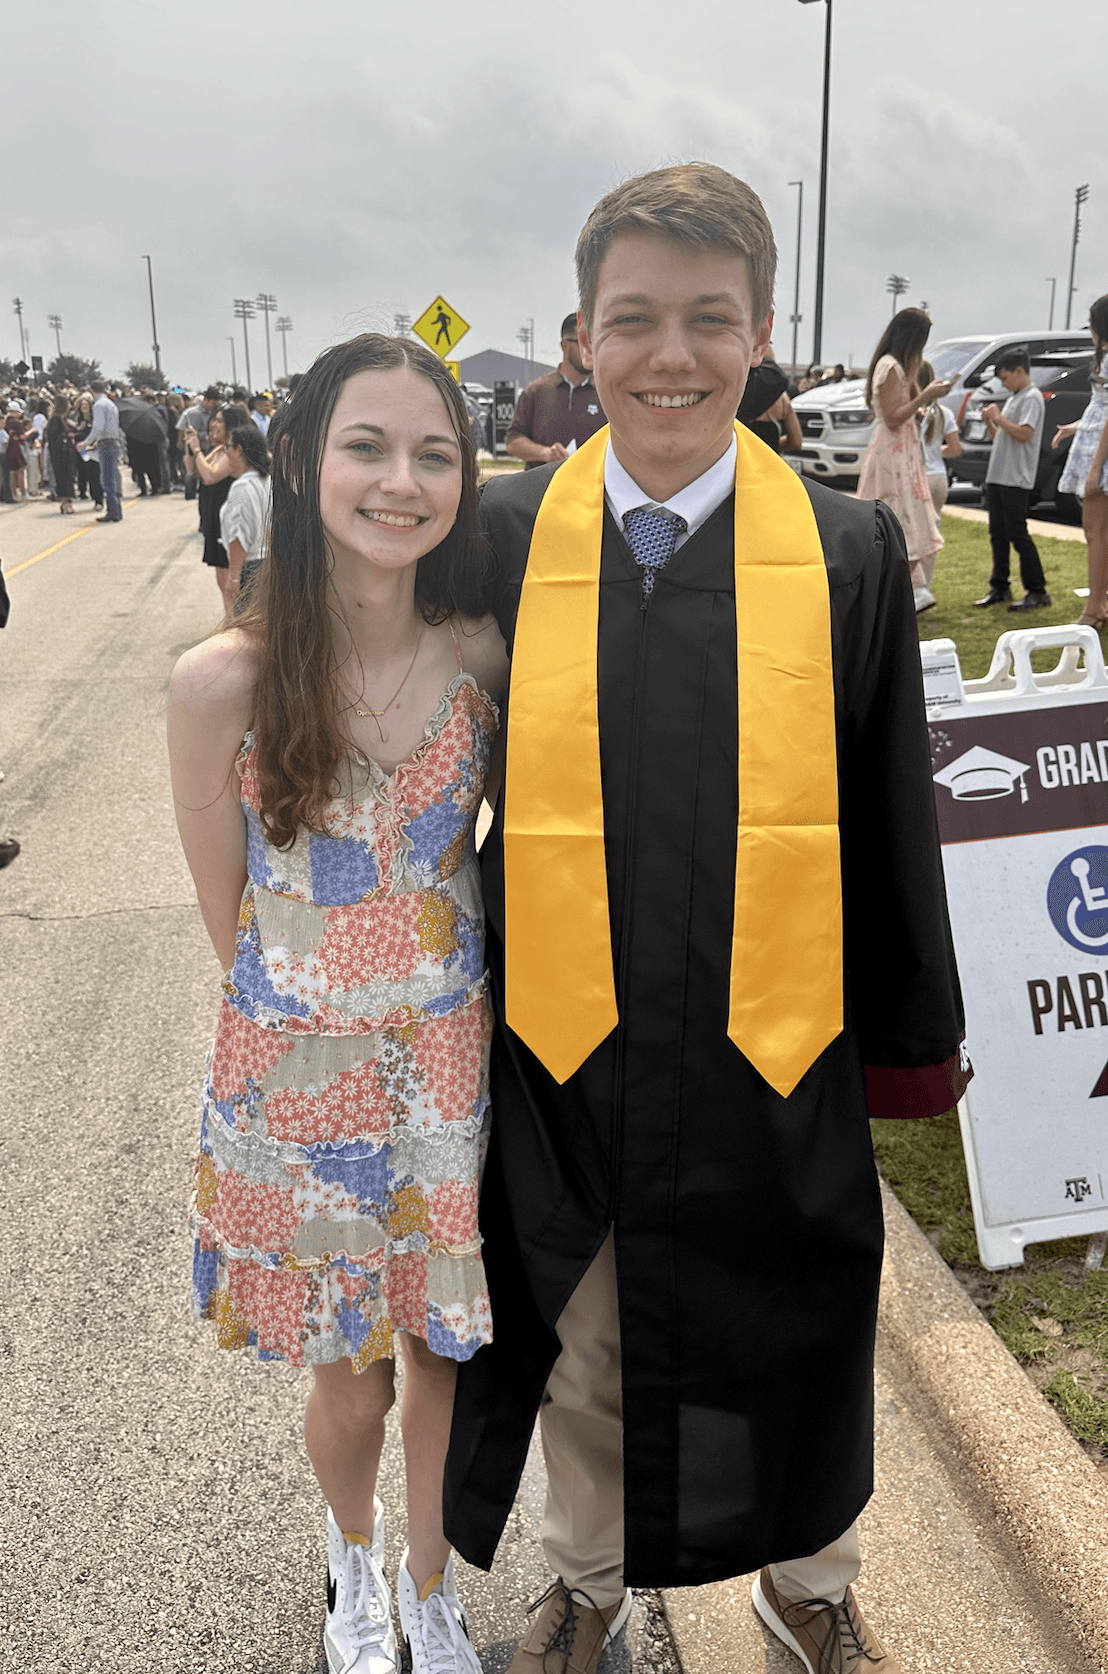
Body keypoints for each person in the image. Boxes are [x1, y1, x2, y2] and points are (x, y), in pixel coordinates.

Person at [443, 163, 969, 1674]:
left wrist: (909, 1036)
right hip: (570, 1027)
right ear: (581, 337)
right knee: (587, 1331)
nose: (670, 355)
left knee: (804, 1308)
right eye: (634, 320)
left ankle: (811, 1582)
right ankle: (587, 1579)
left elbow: (888, 806)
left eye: (708, 319)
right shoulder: (503, 533)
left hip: (775, 1023)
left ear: (761, 335)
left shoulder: (847, 550)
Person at [167, 332, 508, 1674]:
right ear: (305, 462)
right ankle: (351, 1559)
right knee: (347, 1370)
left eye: (433, 453)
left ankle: (429, 1585)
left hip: (447, 1060)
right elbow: (230, 921)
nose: (401, 480)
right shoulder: (221, 684)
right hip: (299, 1073)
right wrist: (321, 1025)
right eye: (368, 445)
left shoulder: (482, 653)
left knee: (441, 1346)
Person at [856, 308, 949, 615]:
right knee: (898, 524)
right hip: (892, 458)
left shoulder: (898, 368)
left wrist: (922, 402)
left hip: (901, 456)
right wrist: (924, 397)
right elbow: (894, 418)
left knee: (907, 523)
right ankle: (892, 597)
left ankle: (898, 595)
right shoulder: (891, 367)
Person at [972, 345, 1050, 613]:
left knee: (1018, 533)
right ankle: (1000, 586)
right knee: (998, 534)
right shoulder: (1015, 397)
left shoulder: (1031, 397)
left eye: (1006, 377)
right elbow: (1003, 438)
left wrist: (999, 417)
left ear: (1019, 371)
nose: (1004, 383)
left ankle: (1037, 590)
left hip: (1016, 479)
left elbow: (1025, 434)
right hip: (999, 476)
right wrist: (991, 423)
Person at [1054, 294, 1108, 627]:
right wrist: (1074, 428)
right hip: (1095, 450)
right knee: (1100, 533)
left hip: (1099, 458)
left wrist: (1094, 470)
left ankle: (1093, 609)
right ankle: (1098, 604)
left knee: (1095, 533)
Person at [504, 314, 607, 467]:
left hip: (590, 489)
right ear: (565, 346)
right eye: (583, 343)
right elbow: (513, 442)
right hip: (542, 488)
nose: (591, 350)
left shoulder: (605, 394)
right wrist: (545, 453)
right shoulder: (537, 391)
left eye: (594, 343)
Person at [184, 402, 250, 613]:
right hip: (212, 516)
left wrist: (197, 449)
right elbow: (194, 470)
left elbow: (211, 475)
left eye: (220, 421)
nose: (214, 424)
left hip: (228, 518)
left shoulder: (233, 451)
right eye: (214, 419)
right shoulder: (216, 450)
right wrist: (191, 448)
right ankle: (230, 620)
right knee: (222, 578)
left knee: (232, 578)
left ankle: (236, 624)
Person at [916, 359, 961, 597]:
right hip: (938, 477)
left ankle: (915, 588)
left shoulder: (912, 412)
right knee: (932, 534)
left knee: (911, 534)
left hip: (918, 476)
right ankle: (927, 587)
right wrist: (936, 451)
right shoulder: (944, 413)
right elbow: (954, 449)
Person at [218, 422, 271, 607]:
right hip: (271, 564)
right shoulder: (267, 481)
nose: (226, 453)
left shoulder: (242, 488)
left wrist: (233, 577)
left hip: (251, 569)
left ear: (239, 450)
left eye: (228, 448)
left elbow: (239, 537)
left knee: (248, 628)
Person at [81, 381, 124, 522]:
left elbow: (98, 427)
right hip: (113, 440)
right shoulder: (110, 404)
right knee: (113, 476)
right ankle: (116, 509)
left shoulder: (99, 405)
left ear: (91, 390)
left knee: (107, 479)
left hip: (106, 442)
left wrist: (87, 442)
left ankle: (113, 511)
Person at [178, 387, 221, 504]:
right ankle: (191, 491)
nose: (213, 406)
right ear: (206, 400)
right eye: (212, 403)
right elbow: (192, 431)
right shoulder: (194, 413)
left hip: (210, 447)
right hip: (196, 447)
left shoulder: (215, 413)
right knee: (192, 473)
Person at [46, 394, 77, 515]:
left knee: (68, 478)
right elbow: (55, 437)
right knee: (64, 478)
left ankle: (66, 502)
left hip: (66, 453)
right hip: (61, 454)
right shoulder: (56, 419)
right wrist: (68, 435)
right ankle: (66, 502)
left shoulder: (61, 419)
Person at [72, 394, 103, 507]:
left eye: (86, 404)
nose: (84, 406)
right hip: (82, 450)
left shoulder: (95, 418)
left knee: (95, 474)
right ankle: (82, 492)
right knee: (82, 471)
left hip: (93, 450)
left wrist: (95, 442)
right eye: (82, 405)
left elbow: (98, 431)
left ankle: (98, 499)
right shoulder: (77, 419)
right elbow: (75, 434)